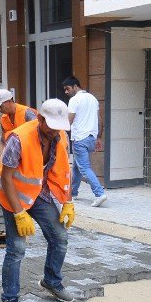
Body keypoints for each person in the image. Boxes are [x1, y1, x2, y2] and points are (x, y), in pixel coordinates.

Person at [0, 99, 78, 302]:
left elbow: (64, 170)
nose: (55, 131)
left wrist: (68, 201)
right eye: (51, 125)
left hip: (38, 193)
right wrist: (19, 213)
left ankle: (52, 281)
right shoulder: (19, 138)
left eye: (59, 126)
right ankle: (10, 299)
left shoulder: (59, 137)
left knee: (59, 237)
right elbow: (6, 177)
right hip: (12, 196)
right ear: (39, 119)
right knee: (17, 248)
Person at [63, 76, 106, 207]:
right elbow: (100, 120)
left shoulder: (74, 100)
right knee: (76, 167)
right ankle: (73, 193)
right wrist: (98, 137)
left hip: (79, 139)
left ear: (75, 86)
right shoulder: (93, 98)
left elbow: (69, 121)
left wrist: (60, 134)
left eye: (67, 89)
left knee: (84, 168)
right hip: (91, 138)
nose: (66, 92)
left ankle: (99, 194)